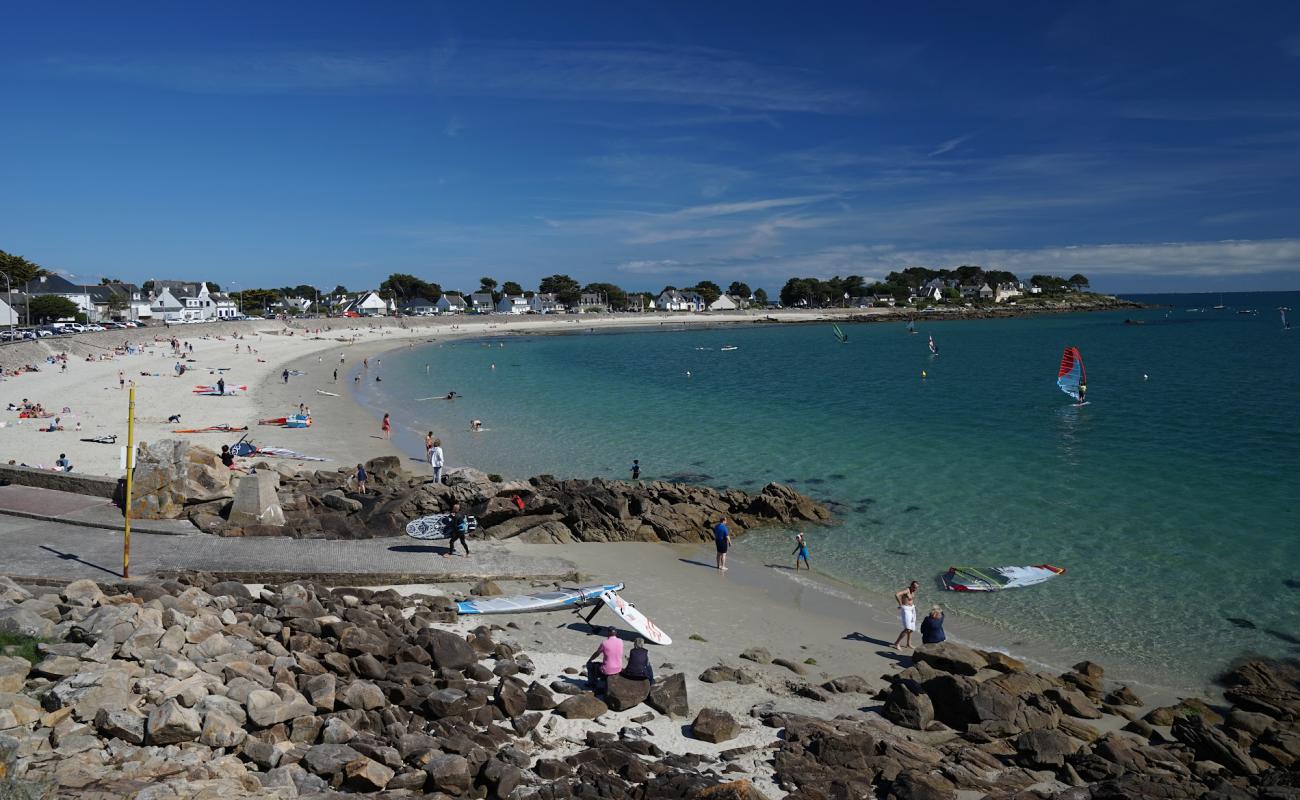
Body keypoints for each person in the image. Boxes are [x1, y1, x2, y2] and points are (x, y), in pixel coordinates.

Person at [587, 628, 624, 692]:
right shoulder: (621, 641)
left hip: (607, 670)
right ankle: (602, 680)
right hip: (618, 668)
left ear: (608, 633)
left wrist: (590, 659)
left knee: (590, 665)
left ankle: (591, 683)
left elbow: (597, 653)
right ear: (616, 634)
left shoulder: (604, 643)